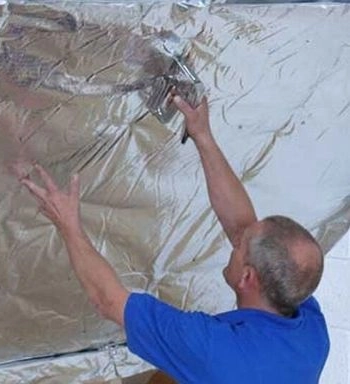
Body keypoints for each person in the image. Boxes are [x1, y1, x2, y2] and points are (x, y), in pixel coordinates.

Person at [20, 95, 329, 383]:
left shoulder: (213, 350)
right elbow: (243, 228)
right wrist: (203, 136)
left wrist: (68, 224)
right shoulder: (309, 327)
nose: (235, 240)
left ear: (249, 277)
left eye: (239, 247)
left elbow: (108, 300)